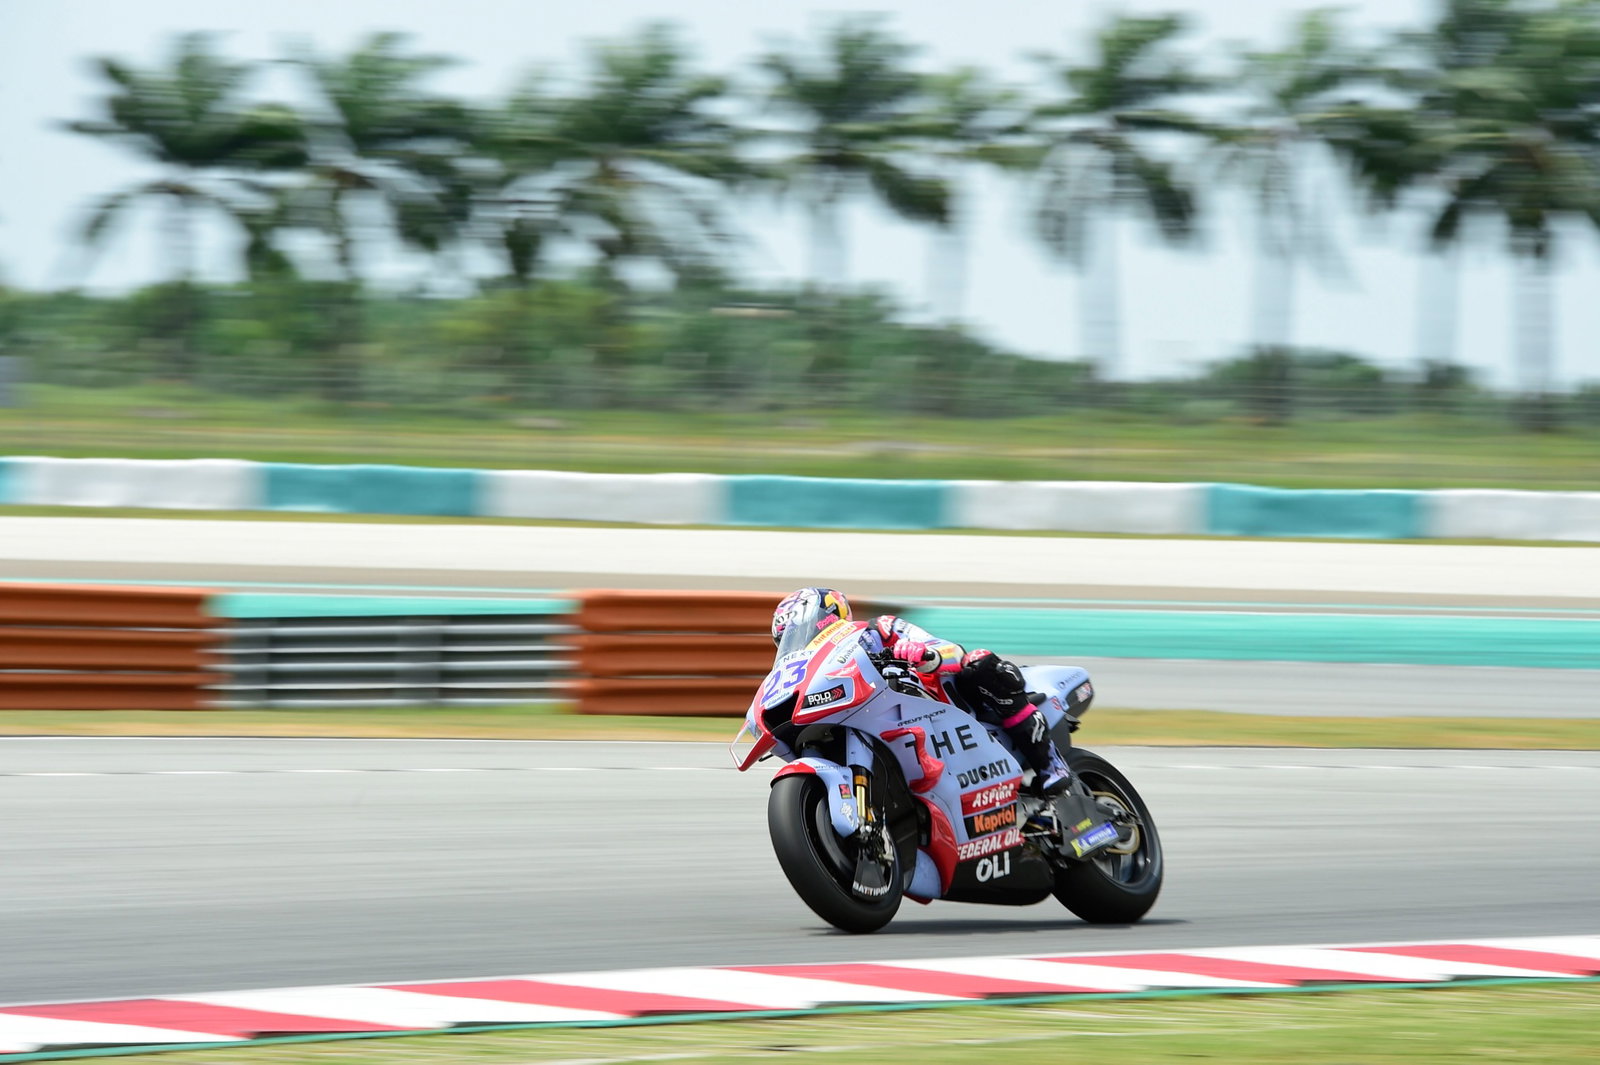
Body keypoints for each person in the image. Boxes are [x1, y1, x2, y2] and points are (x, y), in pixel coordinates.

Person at [769, 587, 1072, 795]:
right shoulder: (819, 669)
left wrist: (926, 656)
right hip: (891, 726)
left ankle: (1050, 763)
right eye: (788, 637)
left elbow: (951, 650)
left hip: (950, 707)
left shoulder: (877, 630)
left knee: (977, 663)